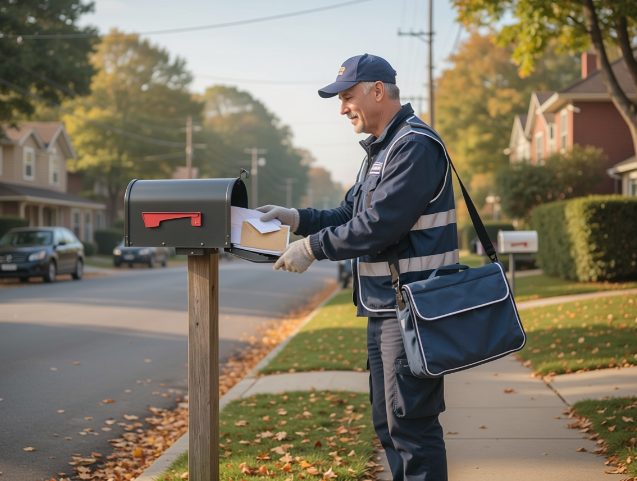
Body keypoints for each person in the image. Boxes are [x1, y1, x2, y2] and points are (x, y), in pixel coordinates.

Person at [256, 53, 458, 480]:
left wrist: (311, 249)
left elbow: (380, 226)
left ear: (378, 91)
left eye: (348, 96)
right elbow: (349, 213)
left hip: (412, 310)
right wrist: (294, 218)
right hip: (386, 309)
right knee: (390, 426)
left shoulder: (414, 145)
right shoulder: (380, 152)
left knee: (412, 429)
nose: (343, 107)